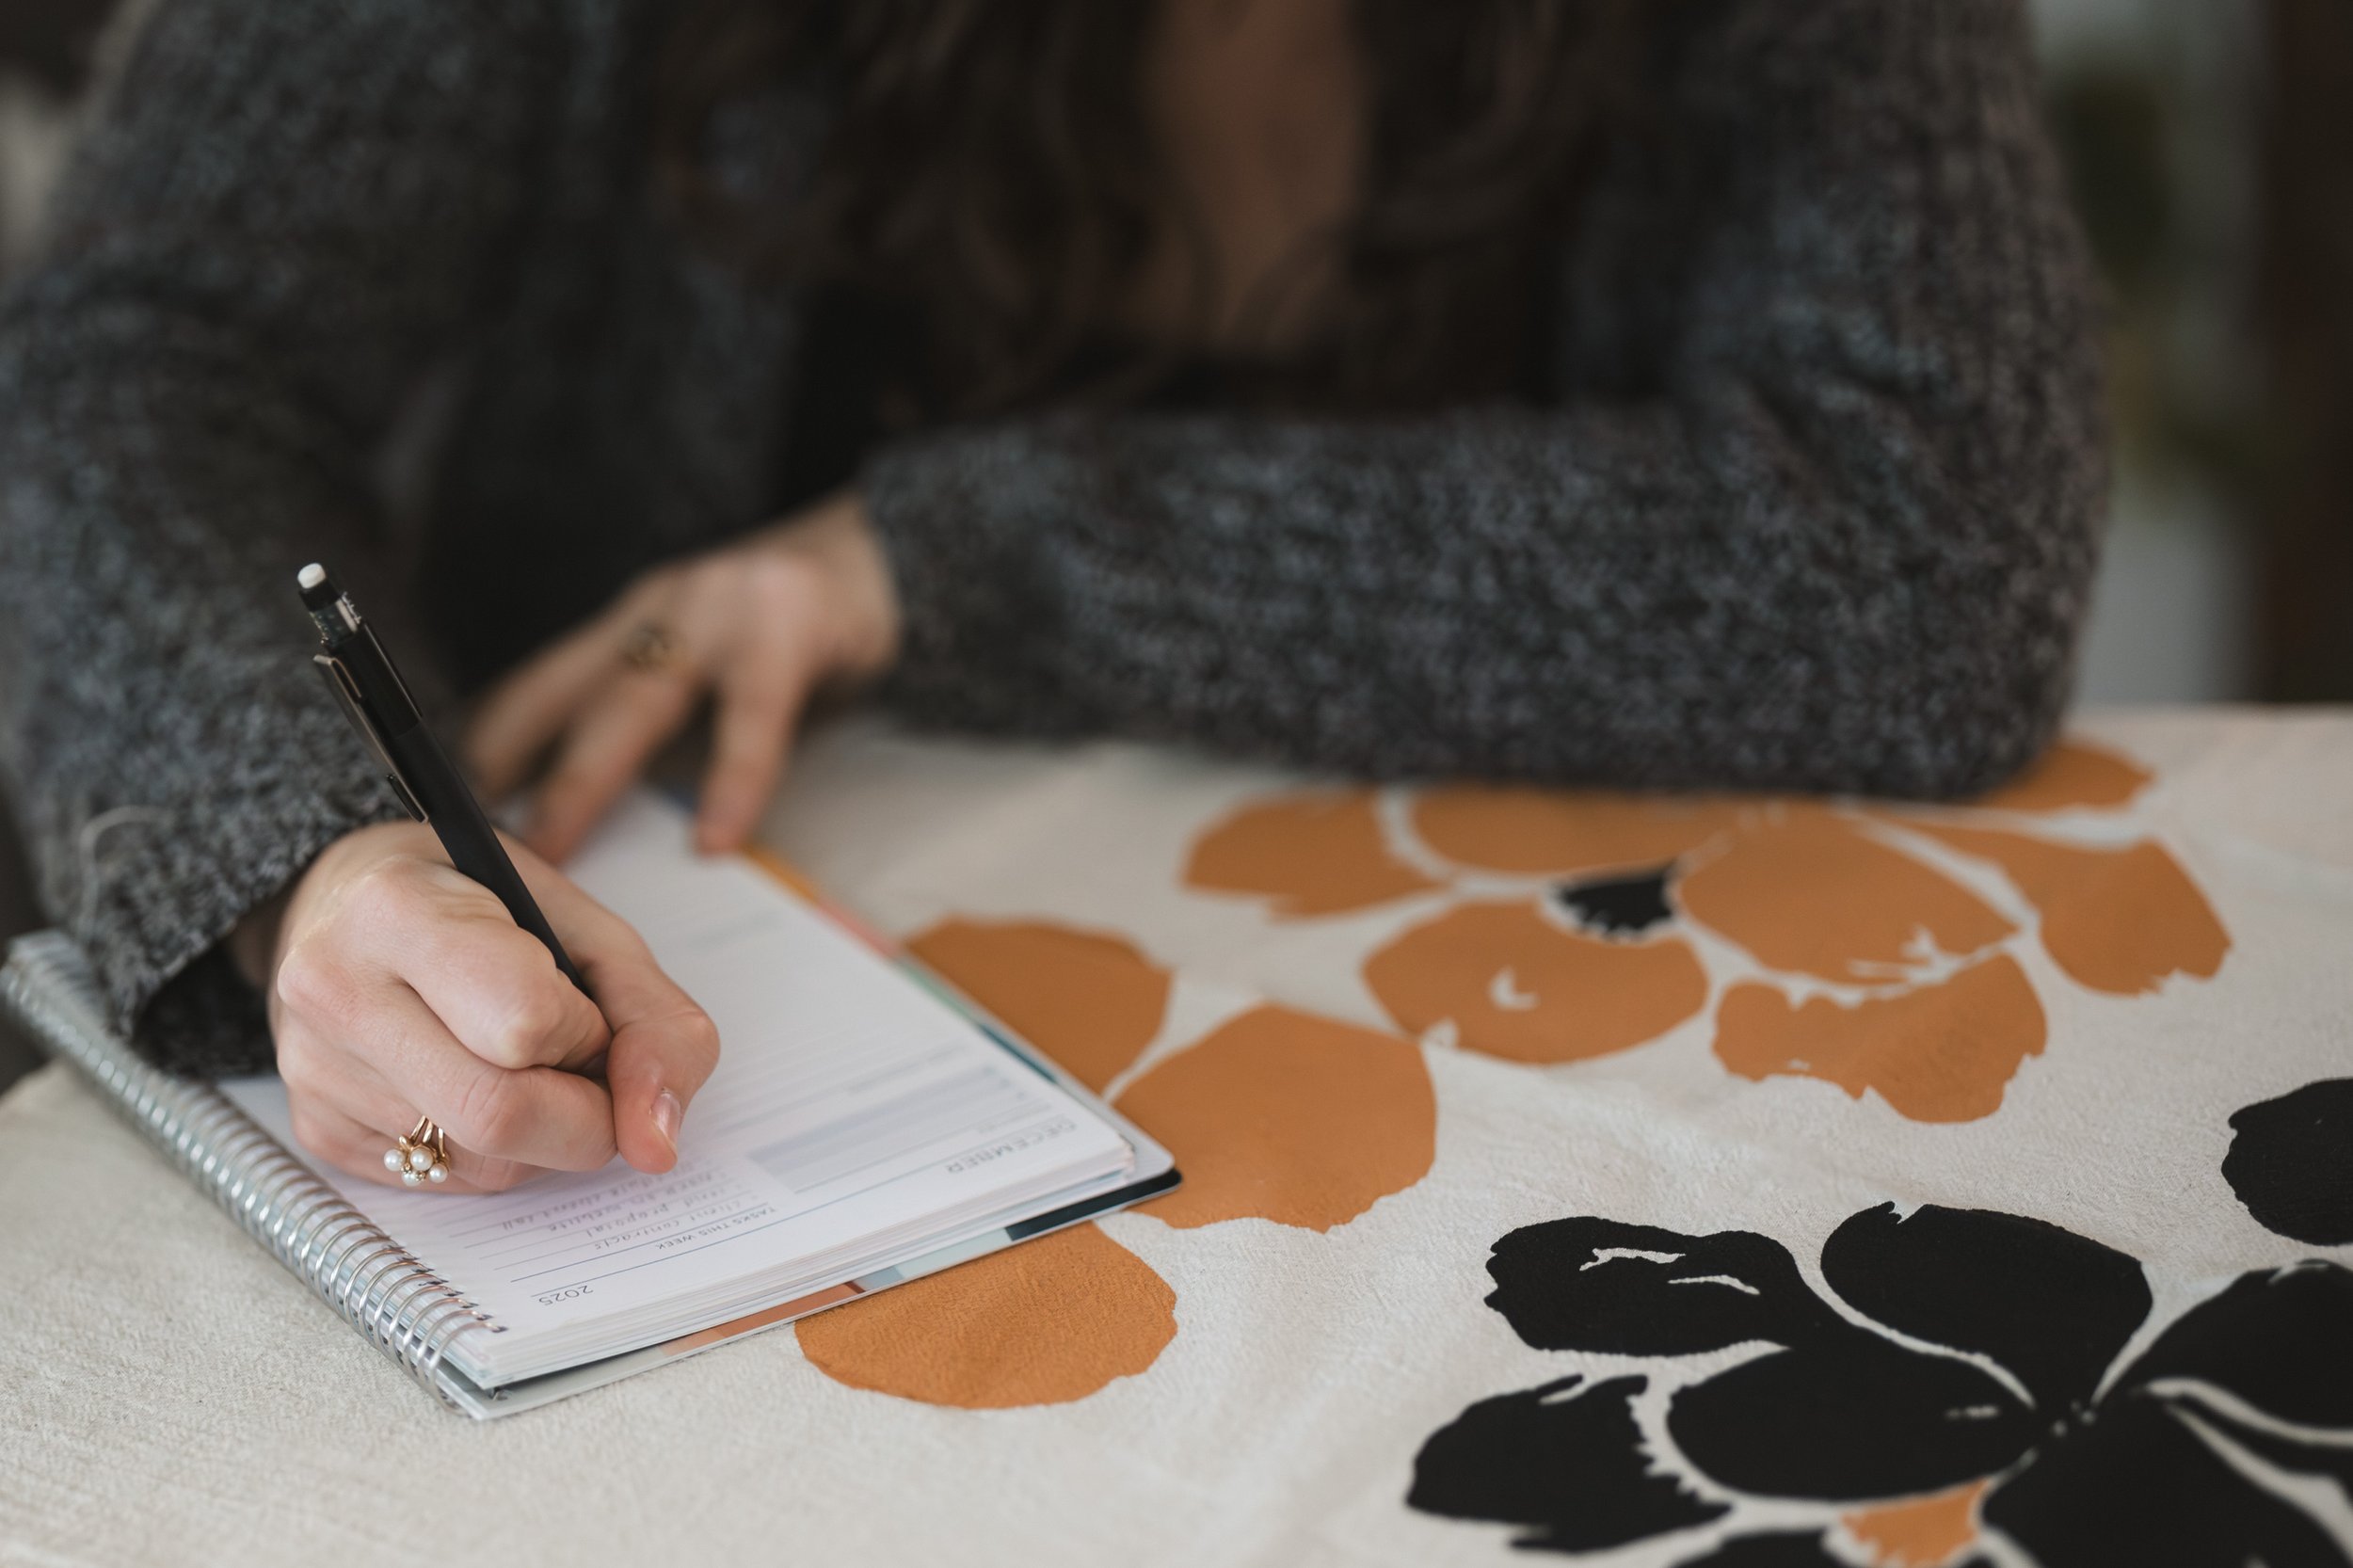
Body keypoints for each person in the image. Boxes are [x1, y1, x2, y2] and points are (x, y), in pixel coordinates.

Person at [0, 0, 2106, 1191]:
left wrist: (947, 558)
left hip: (1545, 1120)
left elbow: (1934, 540)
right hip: (672, 1071)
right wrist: (317, 848)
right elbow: (134, 367)